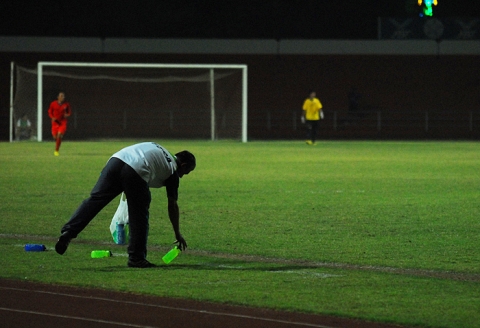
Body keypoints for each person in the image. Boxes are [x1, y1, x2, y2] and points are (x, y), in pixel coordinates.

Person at [54, 142, 196, 268]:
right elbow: (172, 205)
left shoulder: (160, 148)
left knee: (95, 200)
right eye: (186, 172)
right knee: (139, 215)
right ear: (183, 165)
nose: (183, 176)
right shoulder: (172, 170)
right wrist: (177, 233)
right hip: (136, 170)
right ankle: (137, 258)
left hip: (116, 161)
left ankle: (68, 232)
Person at [48, 91, 71, 156]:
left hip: (62, 122)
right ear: (58, 97)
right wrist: (52, 117)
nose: (63, 97)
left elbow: (69, 112)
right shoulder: (53, 104)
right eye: (61, 96)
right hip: (55, 122)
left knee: (59, 134)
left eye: (63, 96)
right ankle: (58, 143)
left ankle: (56, 150)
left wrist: (67, 115)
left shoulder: (66, 104)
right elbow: (50, 112)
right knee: (55, 137)